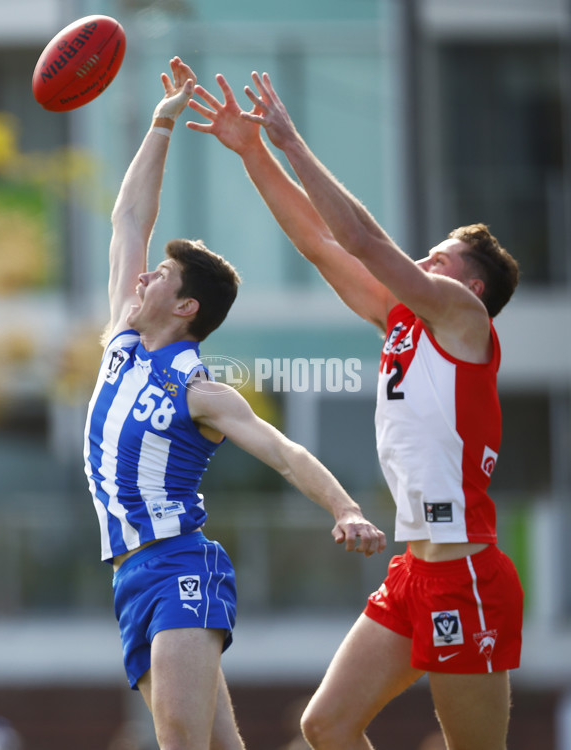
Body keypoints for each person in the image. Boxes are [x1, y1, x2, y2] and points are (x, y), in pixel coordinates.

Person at [186, 72, 524, 750]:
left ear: (474, 285)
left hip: (466, 575)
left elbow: (365, 240)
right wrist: (254, 151)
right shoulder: (403, 322)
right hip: (414, 569)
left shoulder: (464, 318)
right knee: (327, 726)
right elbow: (322, 243)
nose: (425, 259)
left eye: (442, 256)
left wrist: (292, 141)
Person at [83, 57, 386, 750]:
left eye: (163, 271)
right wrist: (161, 121)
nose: (146, 270)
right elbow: (129, 214)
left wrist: (345, 509)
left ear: (186, 306)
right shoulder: (121, 339)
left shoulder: (199, 390)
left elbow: (282, 451)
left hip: (179, 565)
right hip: (132, 575)